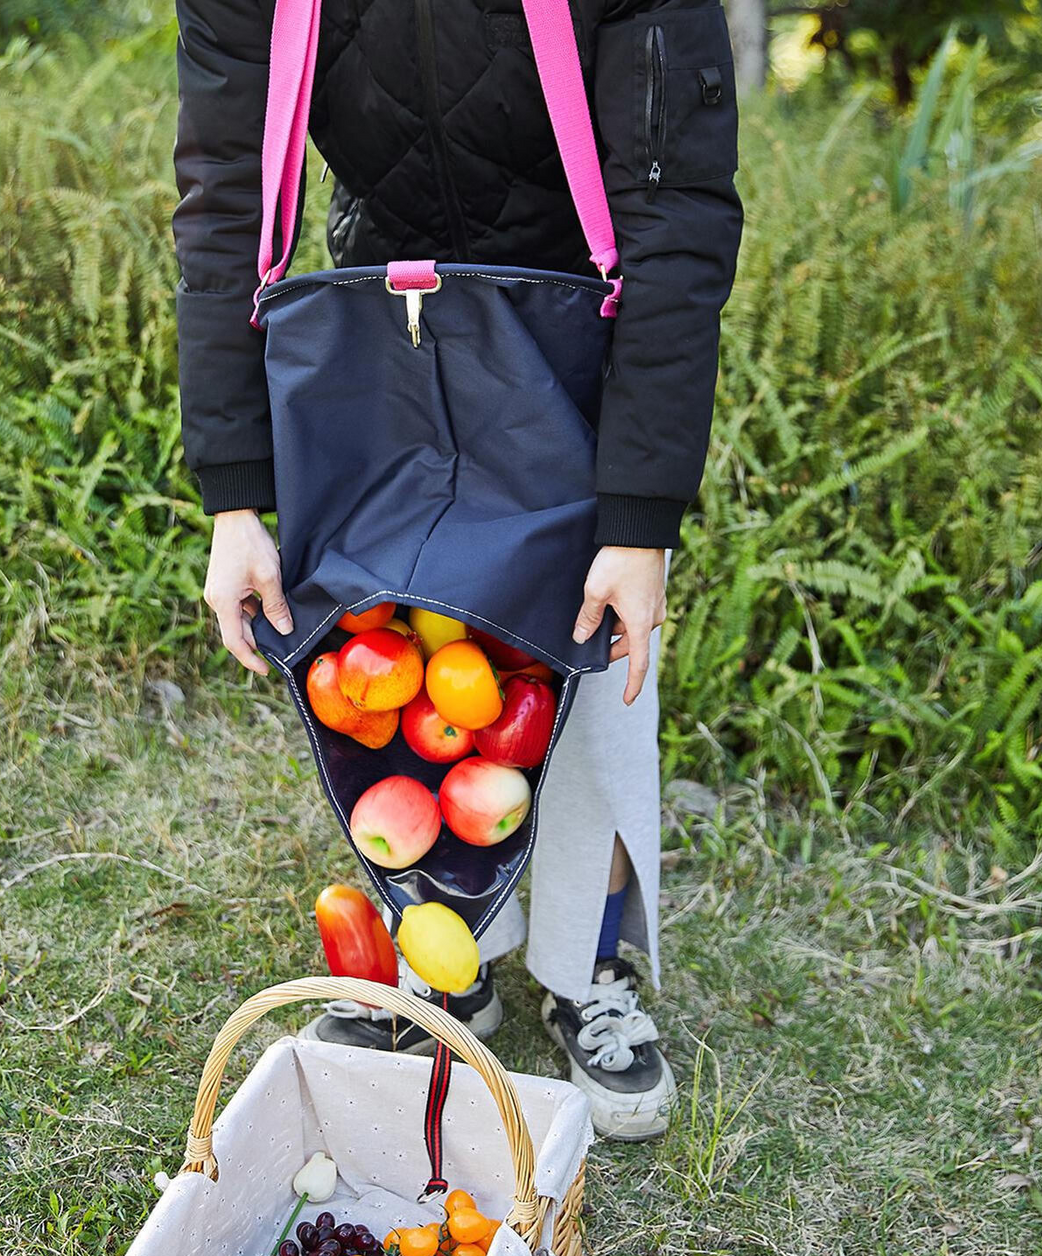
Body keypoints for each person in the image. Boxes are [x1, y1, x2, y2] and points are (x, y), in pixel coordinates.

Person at [175, 0, 742, 1138]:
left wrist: (638, 519)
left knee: (581, 655)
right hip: (381, 307)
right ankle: (448, 950)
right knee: (399, 649)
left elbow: (674, 208)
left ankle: (590, 963)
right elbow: (226, 197)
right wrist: (235, 495)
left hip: (580, 319)